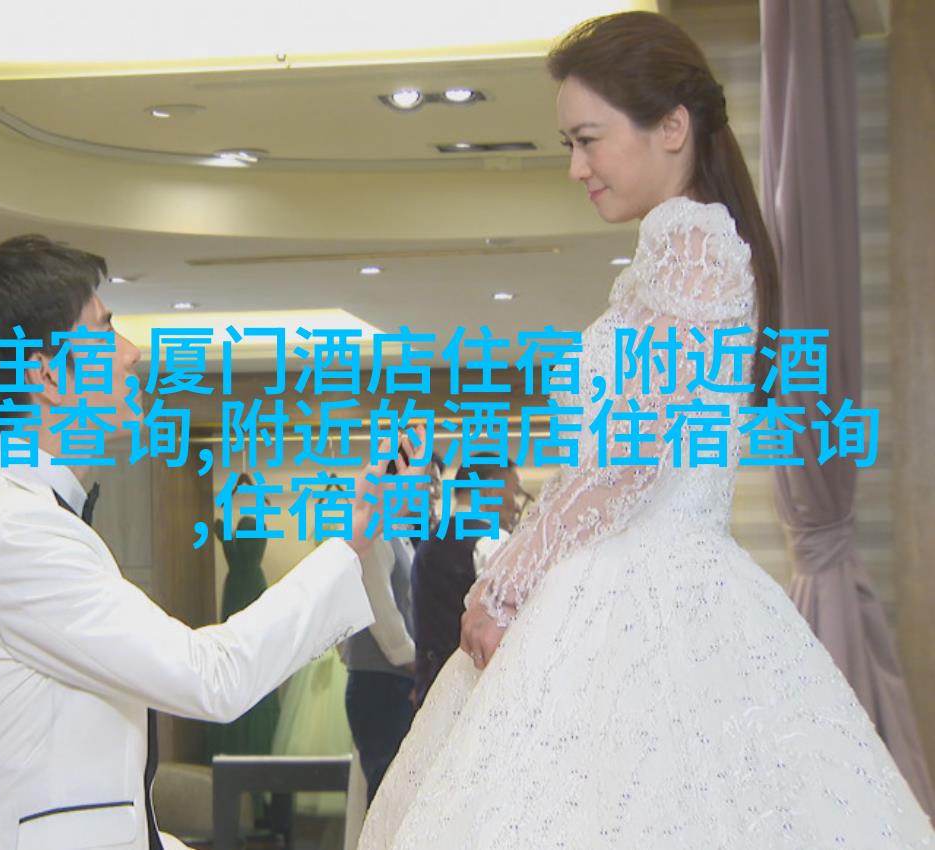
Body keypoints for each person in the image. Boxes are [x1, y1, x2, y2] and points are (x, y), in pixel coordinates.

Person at [359, 12, 935, 849]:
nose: (575, 167)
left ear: (671, 126)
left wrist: (507, 579)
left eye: (588, 140)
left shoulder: (692, 243)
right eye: (568, 144)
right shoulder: (678, 249)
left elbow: (630, 453)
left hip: (642, 588)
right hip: (646, 583)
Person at [0, 235, 426, 850]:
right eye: (104, 330)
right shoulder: (12, 530)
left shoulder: (18, 513)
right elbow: (212, 676)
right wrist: (352, 537)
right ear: (45, 374)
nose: (131, 352)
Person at [342, 452, 443, 805]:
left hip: (397, 682)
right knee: (387, 792)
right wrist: (423, 668)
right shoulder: (376, 536)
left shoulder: (402, 538)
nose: (433, 491)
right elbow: (383, 617)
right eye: (427, 481)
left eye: (436, 483)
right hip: (380, 686)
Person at [409, 457, 518, 708]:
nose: (516, 505)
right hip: (475, 694)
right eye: (514, 492)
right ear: (490, 490)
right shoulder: (494, 541)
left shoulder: (427, 543)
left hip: (431, 690)